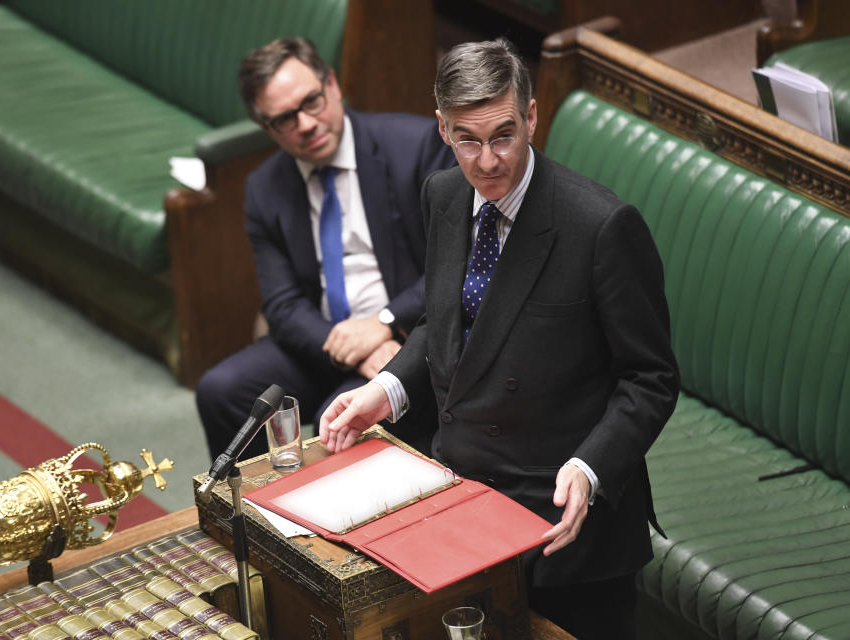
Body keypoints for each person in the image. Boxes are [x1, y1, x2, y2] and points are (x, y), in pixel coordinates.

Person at [319, 38, 679, 639]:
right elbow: (447, 320)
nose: (487, 161)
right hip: (464, 496)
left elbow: (651, 378)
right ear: (442, 128)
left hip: (564, 521)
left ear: (532, 116)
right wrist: (388, 388)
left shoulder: (600, 226)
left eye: (504, 136)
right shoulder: (444, 195)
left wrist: (591, 467)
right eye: (468, 140)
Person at [195, 37, 455, 461]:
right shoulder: (265, 188)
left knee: (333, 420)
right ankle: (254, 516)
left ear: (332, 84)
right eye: (284, 119)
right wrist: (354, 345)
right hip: (323, 340)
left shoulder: (414, 146)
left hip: (406, 335)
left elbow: (452, 264)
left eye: (311, 102)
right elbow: (281, 305)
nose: (306, 123)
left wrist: (387, 323)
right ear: (267, 128)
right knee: (221, 391)